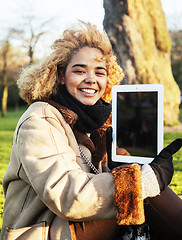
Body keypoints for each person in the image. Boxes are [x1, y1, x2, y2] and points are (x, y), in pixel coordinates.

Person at [1, 22, 182, 240]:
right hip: (43, 232)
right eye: (79, 70)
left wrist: (132, 161)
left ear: (108, 78)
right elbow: (67, 195)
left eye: (100, 72)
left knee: (145, 188)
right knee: (143, 190)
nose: (91, 79)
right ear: (60, 76)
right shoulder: (40, 118)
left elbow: (102, 178)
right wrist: (145, 180)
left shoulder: (95, 122)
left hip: (77, 222)